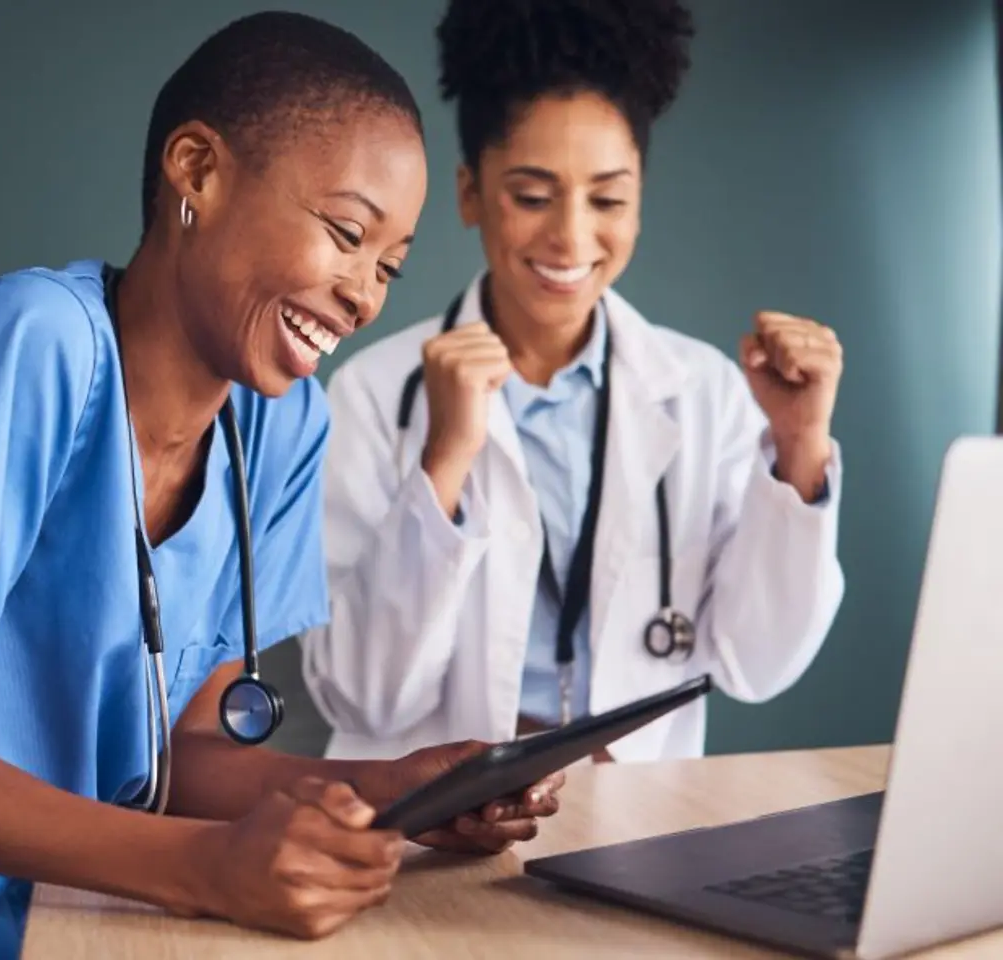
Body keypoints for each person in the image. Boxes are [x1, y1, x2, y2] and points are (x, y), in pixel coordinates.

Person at [0, 12, 564, 960]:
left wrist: (396, 794)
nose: (366, 295)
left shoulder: (284, 425)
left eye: (388, 267)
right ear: (198, 171)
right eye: (345, 233)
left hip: (63, 921)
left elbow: (184, 761)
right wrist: (206, 870)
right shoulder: (32, 345)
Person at [300, 0, 845, 766]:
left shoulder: (706, 392)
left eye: (609, 198)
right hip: (434, 829)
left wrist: (798, 445)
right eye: (531, 196)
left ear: (641, 199)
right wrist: (445, 461)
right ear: (469, 193)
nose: (571, 236)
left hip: (640, 823)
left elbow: (756, 664)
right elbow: (360, 695)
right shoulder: (371, 396)